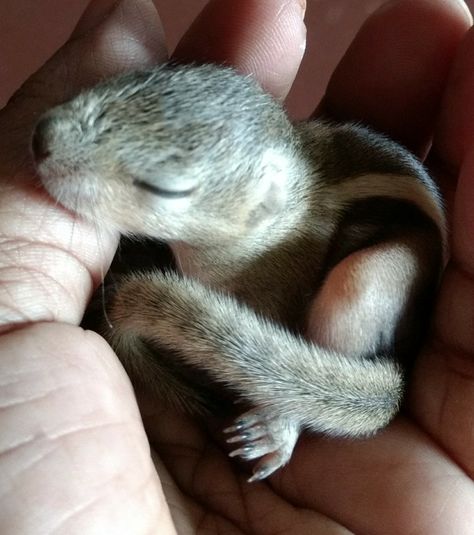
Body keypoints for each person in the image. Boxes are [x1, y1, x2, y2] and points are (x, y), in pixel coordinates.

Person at [0, 0, 473, 532]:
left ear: (261, 204)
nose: (52, 140)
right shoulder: (219, 229)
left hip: (368, 332)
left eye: (160, 186)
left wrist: (284, 412)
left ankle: (292, 410)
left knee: (354, 296)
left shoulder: (270, 256)